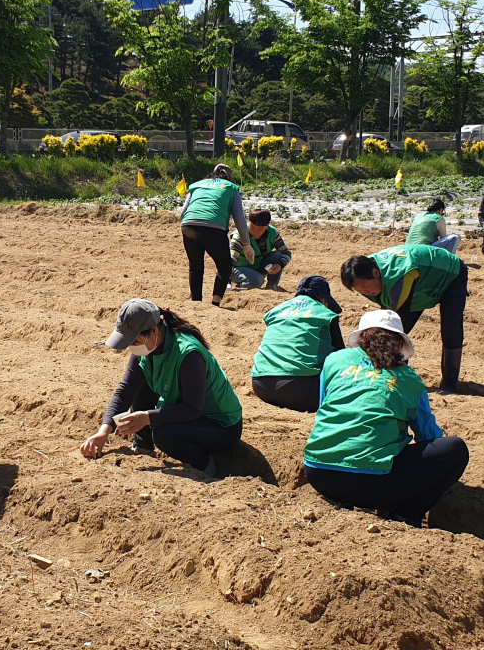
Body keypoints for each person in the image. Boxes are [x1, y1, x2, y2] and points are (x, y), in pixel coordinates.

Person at [302, 310, 469, 527]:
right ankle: (407, 515)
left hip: (319, 473)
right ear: (399, 345)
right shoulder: (409, 379)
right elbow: (428, 437)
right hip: (374, 485)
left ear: (361, 337)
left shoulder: (334, 360)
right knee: (456, 450)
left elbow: (325, 406)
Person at [82, 299, 243, 478]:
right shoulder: (146, 349)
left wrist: (148, 417)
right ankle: (143, 447)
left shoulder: (188, 354)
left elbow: (193, 409)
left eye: (134, 340)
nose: (131, 347)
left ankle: (203, 466)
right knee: (140, 384)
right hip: (189, 413)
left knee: (164, 434)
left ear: (154, 331)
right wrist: (104, 431)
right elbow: (126, 389)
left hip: (221, 426)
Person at [340, 243, 466, 392]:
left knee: (450, 329)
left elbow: (395, 323)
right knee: (388, 332)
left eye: (366, 287)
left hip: (449, 274)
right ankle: (394, 374)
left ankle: (449, 384)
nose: (365, 292)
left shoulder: (399, 275)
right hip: (421, 284)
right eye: (360, 291)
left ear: (375, 273)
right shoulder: (368, 276)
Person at [250, 276, 345, 412]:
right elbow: (340, 355)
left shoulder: (277, 310)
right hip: (299, 390)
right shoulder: (326, 315)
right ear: (323, 299)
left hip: (261, 385)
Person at [179, 164, 252, 305]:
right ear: (230, 178)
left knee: (195, 266)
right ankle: (215, 302)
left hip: (188, 224)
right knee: (224, 267)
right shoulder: (231, 188)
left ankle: (196, 302)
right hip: (214, 227)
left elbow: (182, 213)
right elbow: (239, 218)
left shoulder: (196, 185)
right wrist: (247, 244)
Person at [230, 209, 293, 290]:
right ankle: (242, 286)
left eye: (260, 229)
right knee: (258, 280)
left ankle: (271, 286)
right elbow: (231, 259)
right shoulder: (239, 234)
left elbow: (286, 252)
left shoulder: (273, 233)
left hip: (258, 268)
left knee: (278, 255)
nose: (255, 231)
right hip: (238, 269)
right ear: (249, 221)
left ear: (267, 226)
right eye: (252, 226)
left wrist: (280, 265)